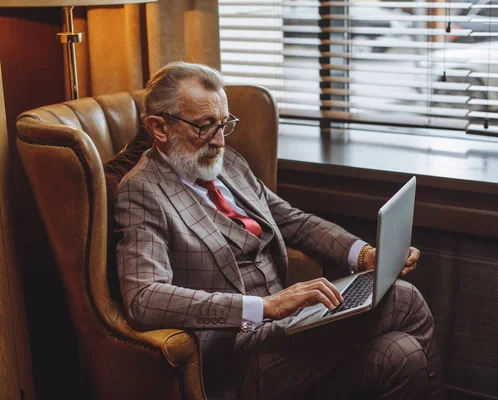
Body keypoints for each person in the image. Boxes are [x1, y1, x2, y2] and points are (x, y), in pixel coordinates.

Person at [114, 61, 444, 400]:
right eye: (204, 127)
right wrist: (264, 306)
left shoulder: (229, 165)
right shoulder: (142, 190)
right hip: (235, 356)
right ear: (159, 127)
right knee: (405, 298)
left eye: (223, 124)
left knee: (404, 354)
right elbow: (144, 297)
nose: (218, 141)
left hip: (287, 333)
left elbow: (293, 221)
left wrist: (364, 255)